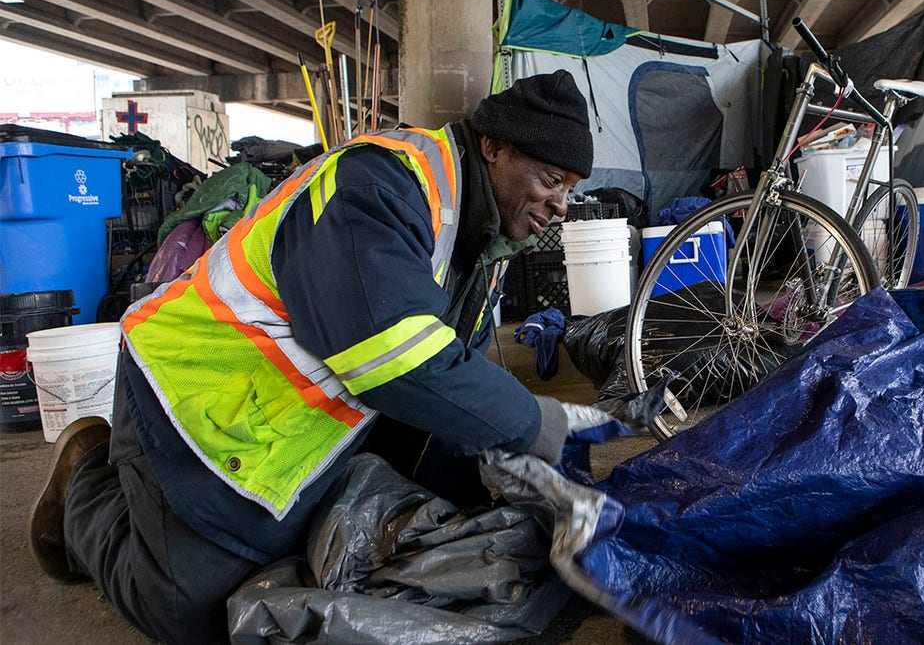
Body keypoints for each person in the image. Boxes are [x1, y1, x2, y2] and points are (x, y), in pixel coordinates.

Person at [28, 70, 594, 643]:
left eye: (570, 188)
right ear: (495, 147)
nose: (561, 204)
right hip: (189, 389)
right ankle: (87, 476)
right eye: (552, 179)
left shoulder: (477, 236)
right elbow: (393, 356)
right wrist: (533, 423)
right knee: (189, 611)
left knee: (293, 572)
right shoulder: (377, 185)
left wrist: (482, 491)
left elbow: (445, 386)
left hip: (276, 415)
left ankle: (166, 506)